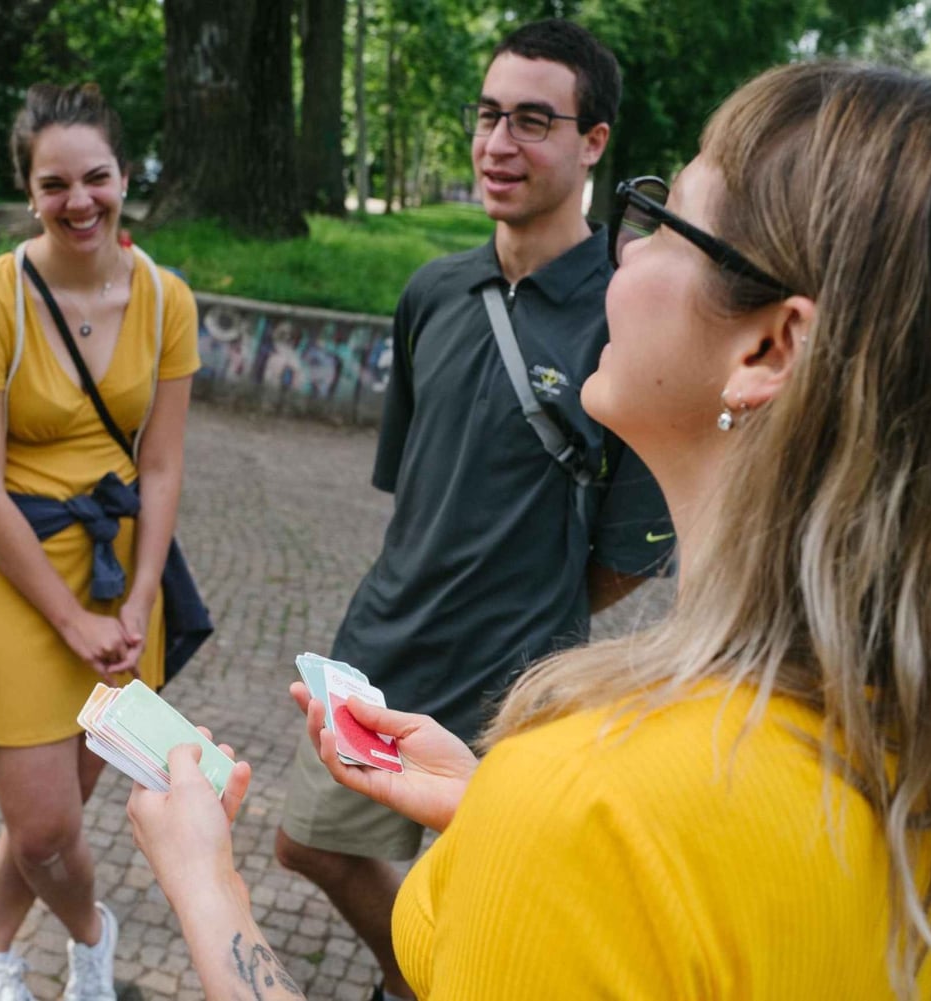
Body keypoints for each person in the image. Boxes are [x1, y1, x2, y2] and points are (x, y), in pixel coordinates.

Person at [128, 61, 931, 1000]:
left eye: (665, 221)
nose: (623, 258)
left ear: (769, 347)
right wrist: (492, 811)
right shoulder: (923, 759)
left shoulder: (586, 798)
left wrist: (206, 882)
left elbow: (610, 851)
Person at [272, 20, 672, 1000]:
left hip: (516, 692)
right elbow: (417, 490)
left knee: (496, 905)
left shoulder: (628, 316)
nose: (498, 142)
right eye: (489, 115)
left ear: (595, 141)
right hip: (383, 648)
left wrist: (534, 597)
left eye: (533, 120)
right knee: (307, 842)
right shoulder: (432, 292)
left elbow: (630, 552)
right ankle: (416, 973)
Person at [0, 83, 200, 1001]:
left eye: (96, 178)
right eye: (55, 184)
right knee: (45, 826)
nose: (79, 201)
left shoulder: (167, 299)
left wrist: (139, 601)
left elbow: (161, 464)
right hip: (20, 577)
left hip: (122, 578)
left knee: (63, 806)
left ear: (125, 177)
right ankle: (93, 934)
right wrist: (70, 620)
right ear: (29, 192)